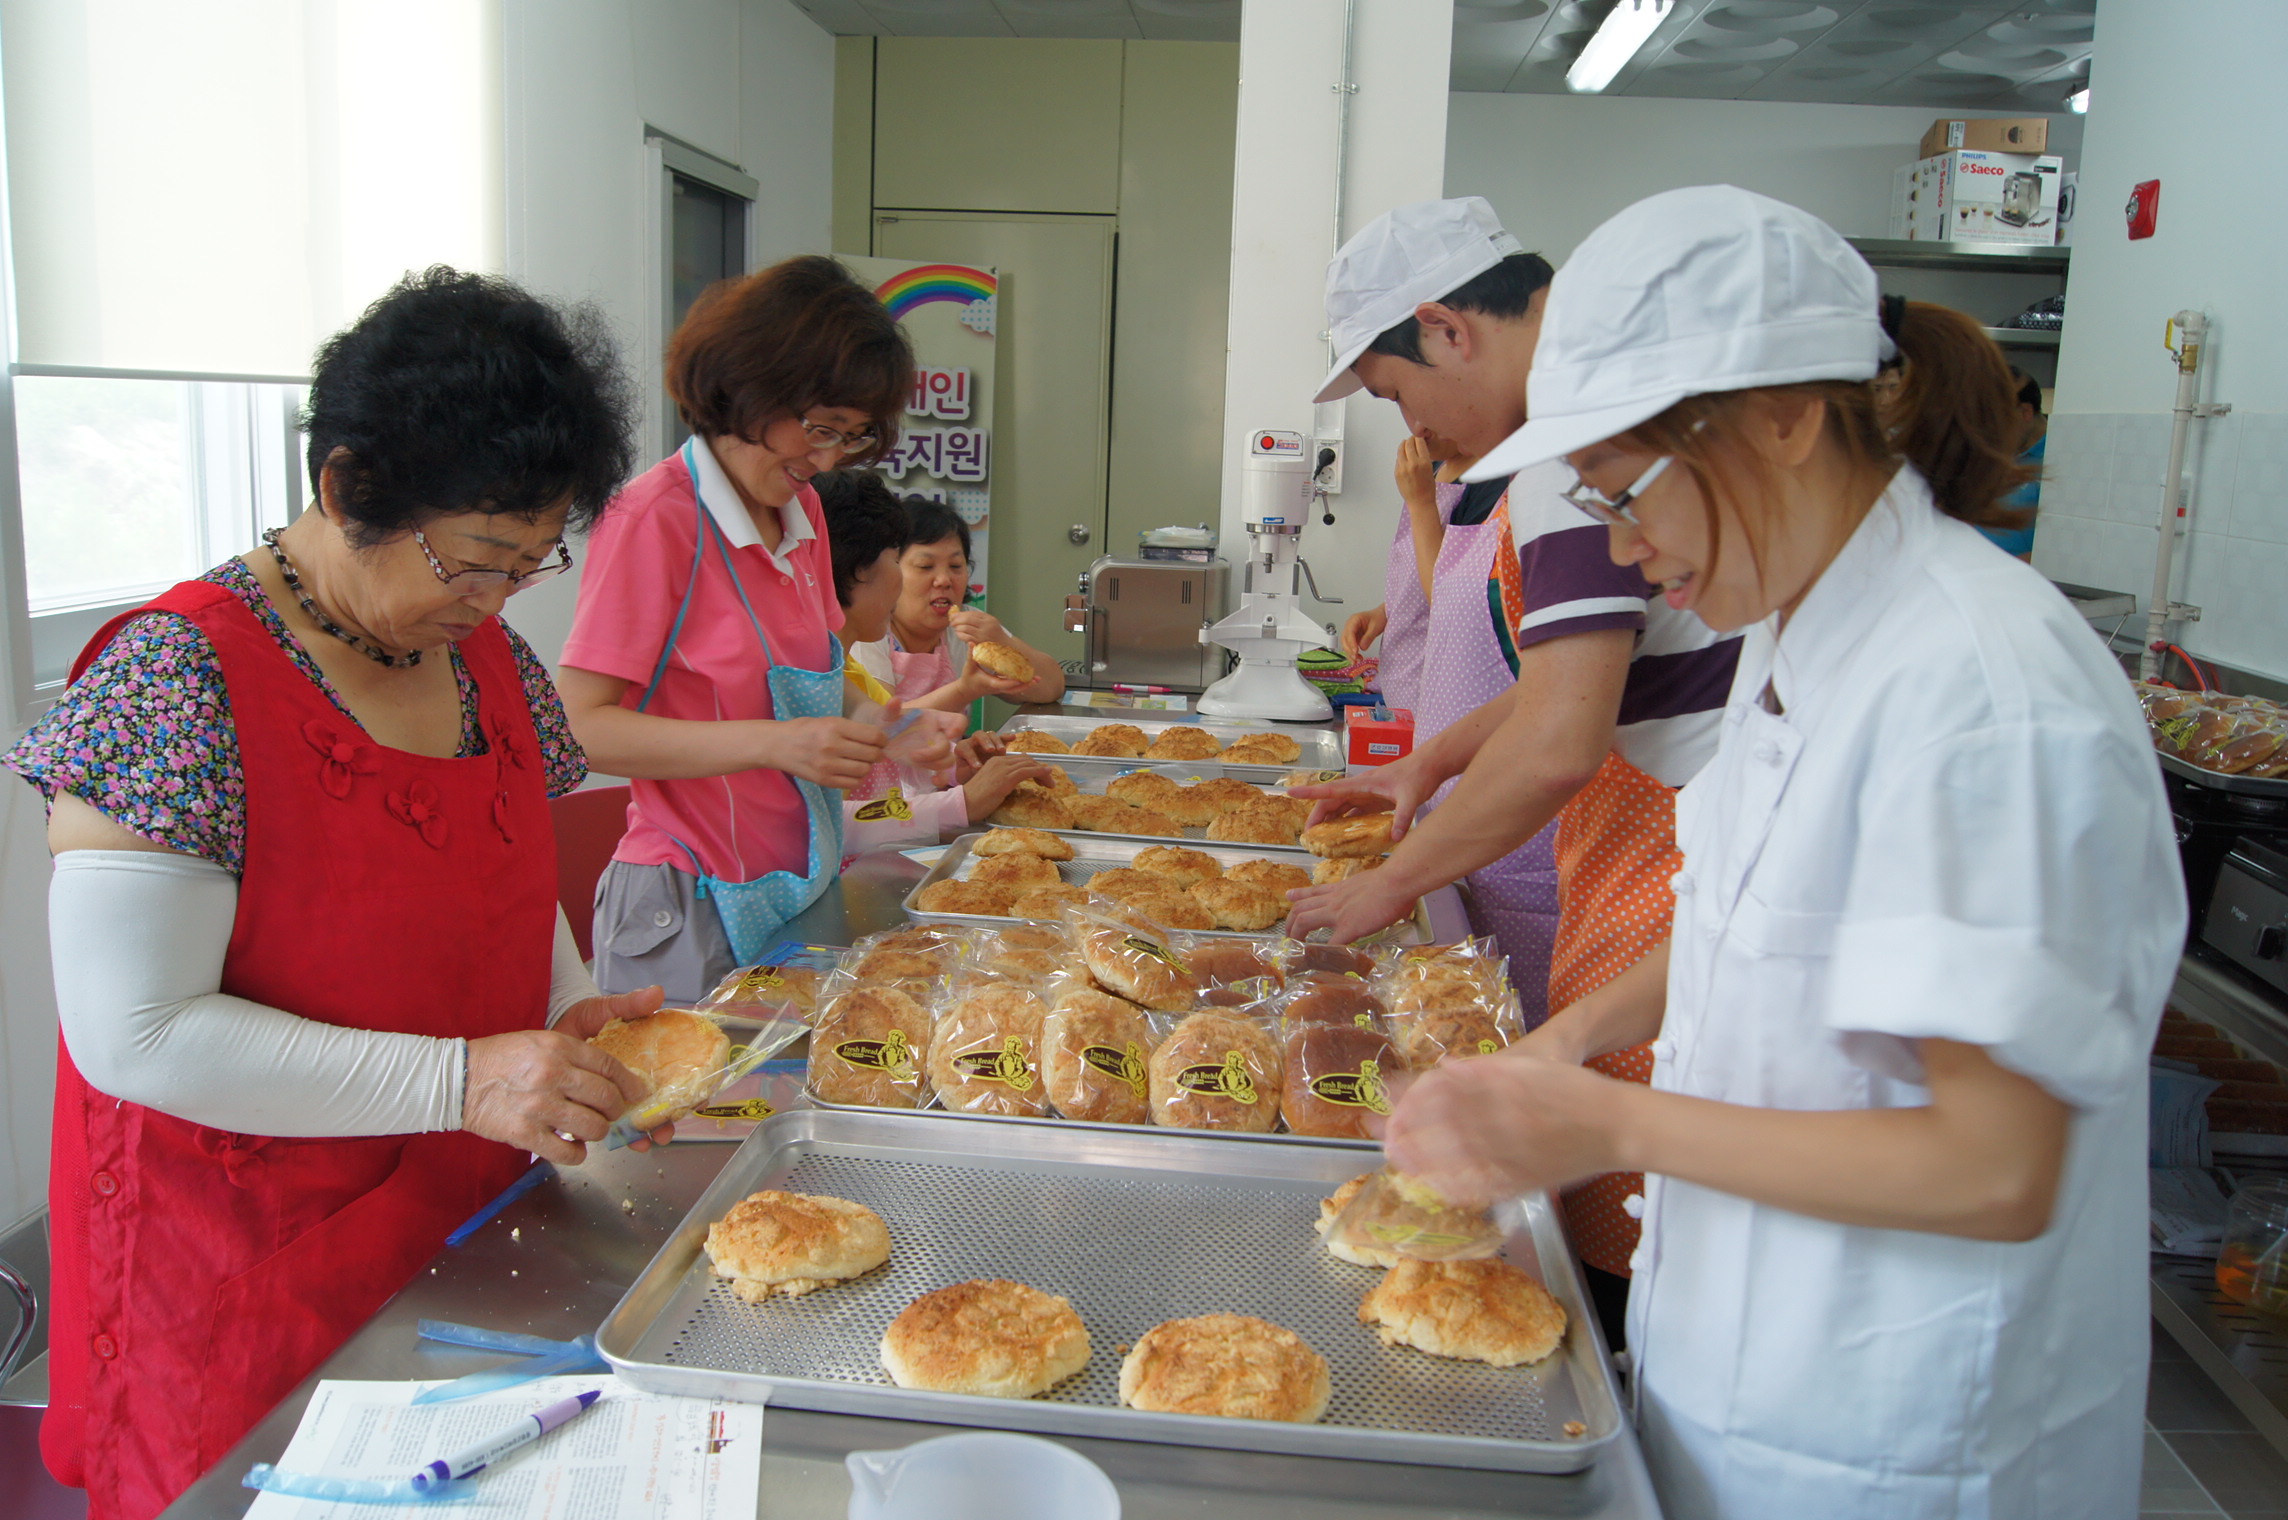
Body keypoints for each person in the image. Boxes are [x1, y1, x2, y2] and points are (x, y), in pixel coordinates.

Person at [1384, 186, 2181, 1519]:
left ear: (1784, 417)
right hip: (1747, 1382)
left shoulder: (1981, 693)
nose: (1628, 549)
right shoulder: (1793, 642)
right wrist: (1567, 1041)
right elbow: (1746, 917)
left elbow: (1995, 1165)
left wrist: (1610, 1120)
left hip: (1904, 1436)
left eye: (1632, 493)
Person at [6, 269, 655, 1520]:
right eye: (473, 560)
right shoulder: (176, 679)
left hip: (466, 1232)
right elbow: (133, 1032)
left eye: (530, 563)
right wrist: (463, 1079)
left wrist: (570, 1016)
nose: (495, 599)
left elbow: (515, 880)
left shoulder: (488, 661)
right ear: (350, 484)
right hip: (251, 1272)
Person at [1291, 197, 1742, 1333]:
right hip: (1655, 854)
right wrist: (1424, 764)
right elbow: (1554, 690)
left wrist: (1388, 884)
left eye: (1395, 394)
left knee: (1637, 1247)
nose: (1421, 435)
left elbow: (1557, 740)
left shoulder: (1575, 456)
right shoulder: (1569, 445)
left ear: (1446, 329)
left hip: (1678, 851)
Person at [560, 256, 910, 1002]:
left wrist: (879, 727)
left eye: (848, 438)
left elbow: (808, 686)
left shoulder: (802, 511)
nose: (824, 460)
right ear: (752, 387)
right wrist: (778, 745)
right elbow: (580, 728)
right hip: (684, 902)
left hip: (794, 884)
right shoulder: (656, 520)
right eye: (817, 429)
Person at [810, 470, 1049, 853]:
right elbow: (819, 828)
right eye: (897, 561)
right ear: (852, 570)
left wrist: (956, 766)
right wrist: (960, 804)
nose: (939, 581)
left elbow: (890, 757)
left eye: (956, 566)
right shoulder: (803, 681)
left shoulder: (840, 672)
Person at [849, 497, 1066, 711]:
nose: (944, 580)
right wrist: (964, 691)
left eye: (955, 566)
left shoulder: (968, 630)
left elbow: (1051, 689)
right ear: (891, 571)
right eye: (925, 566)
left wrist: (1001, 641)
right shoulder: (871, 632)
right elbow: (882, 723)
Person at [1337, 431, 1487, 714]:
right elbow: (1422, 566)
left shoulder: (1490, 485)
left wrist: (1421, 503)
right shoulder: (1433, 467)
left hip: (1441, 688)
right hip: (1402, 681)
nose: (1416, 427)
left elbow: (1452, 601)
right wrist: (1386, 612)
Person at [1980, 365, 2045, 559]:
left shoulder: (2058, 459)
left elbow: (2057, 549)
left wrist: (1995, 572)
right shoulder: (1989, 455)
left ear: (2025, 412)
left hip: (2010, 581)